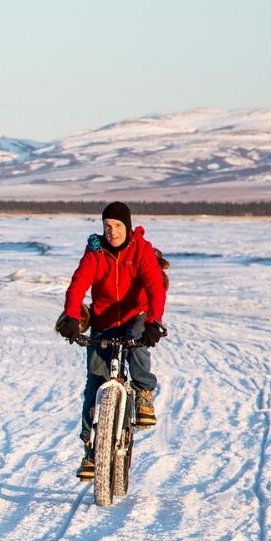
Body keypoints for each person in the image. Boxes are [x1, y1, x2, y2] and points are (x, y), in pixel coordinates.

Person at [56, 201, 167, 481]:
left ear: (127, 227)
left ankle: (142, 393)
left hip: (134, 315)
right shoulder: (96, 251)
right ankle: (90, 450)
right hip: (104, 320)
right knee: (95, 382)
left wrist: (154, 321)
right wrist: (71, 315)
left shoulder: (140, 249)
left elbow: (154, 287)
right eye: (107, 225)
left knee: (138, 341)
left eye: (117, 226)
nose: (111, 231)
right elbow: (78, 284)